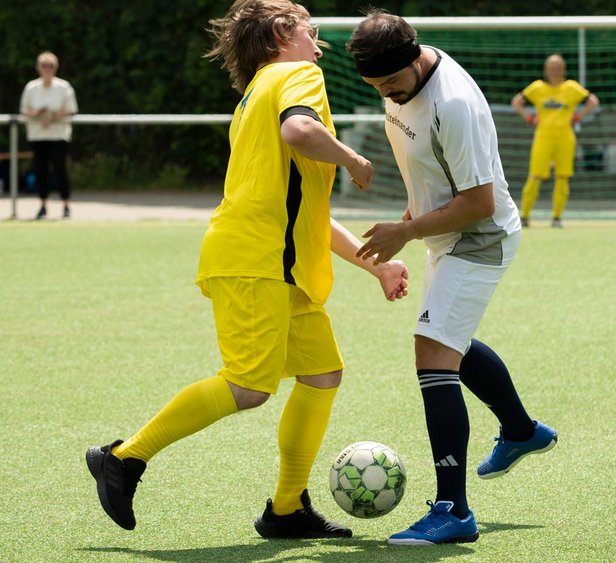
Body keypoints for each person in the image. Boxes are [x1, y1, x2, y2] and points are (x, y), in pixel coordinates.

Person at [86, 0, 409, 539]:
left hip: (277, 266)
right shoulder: (297, 73)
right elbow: (300, 133)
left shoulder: (254, 94)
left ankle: (286, 509)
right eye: (307, 26)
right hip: (258, 262)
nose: (316, 37)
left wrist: (374, 268)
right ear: (282, 33)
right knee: (247, 385)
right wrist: (352, 159)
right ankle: (125, 458)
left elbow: (304, 214)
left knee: (322, 373)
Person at [346, 10, 557, 546]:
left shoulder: (453, 105)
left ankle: (453, 510)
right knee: (447, 341)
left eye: (393, 83)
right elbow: (425, 164)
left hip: (479, 236)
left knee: (432, 350)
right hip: (441, 231)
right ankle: (521, 430)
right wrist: (411, 220)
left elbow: (479, 202)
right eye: (376, 87)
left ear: (415, 58)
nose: (388, 94)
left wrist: (404, 233)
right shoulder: (395, 79)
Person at [511, 54, 599, 228]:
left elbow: (593, 102)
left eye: (558, 66)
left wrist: (579, 116)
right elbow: (516, 102)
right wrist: (529, 118)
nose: (555, 69)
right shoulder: (537, 88)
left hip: (565, 137)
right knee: (535, 176)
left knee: (562, 177)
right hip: (543, 136)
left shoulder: (572, 88)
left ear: (564, 69)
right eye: (551, 66)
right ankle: (525, 216)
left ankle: (557, 217)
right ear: (546, 69)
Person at [19, 51, 78, 220]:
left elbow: (71, 110)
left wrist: (52, 116)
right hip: (38, 135)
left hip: (58, 135)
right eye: (44, 65)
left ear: (55, 67)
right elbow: (24, 111)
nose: (47, 69)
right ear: (38, 68)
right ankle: (43, 205)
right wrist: (38, 114)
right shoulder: (31, 87)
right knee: (40, 170)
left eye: (50, 65)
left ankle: (66, 205)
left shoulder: (64, 87)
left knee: (60, 168)